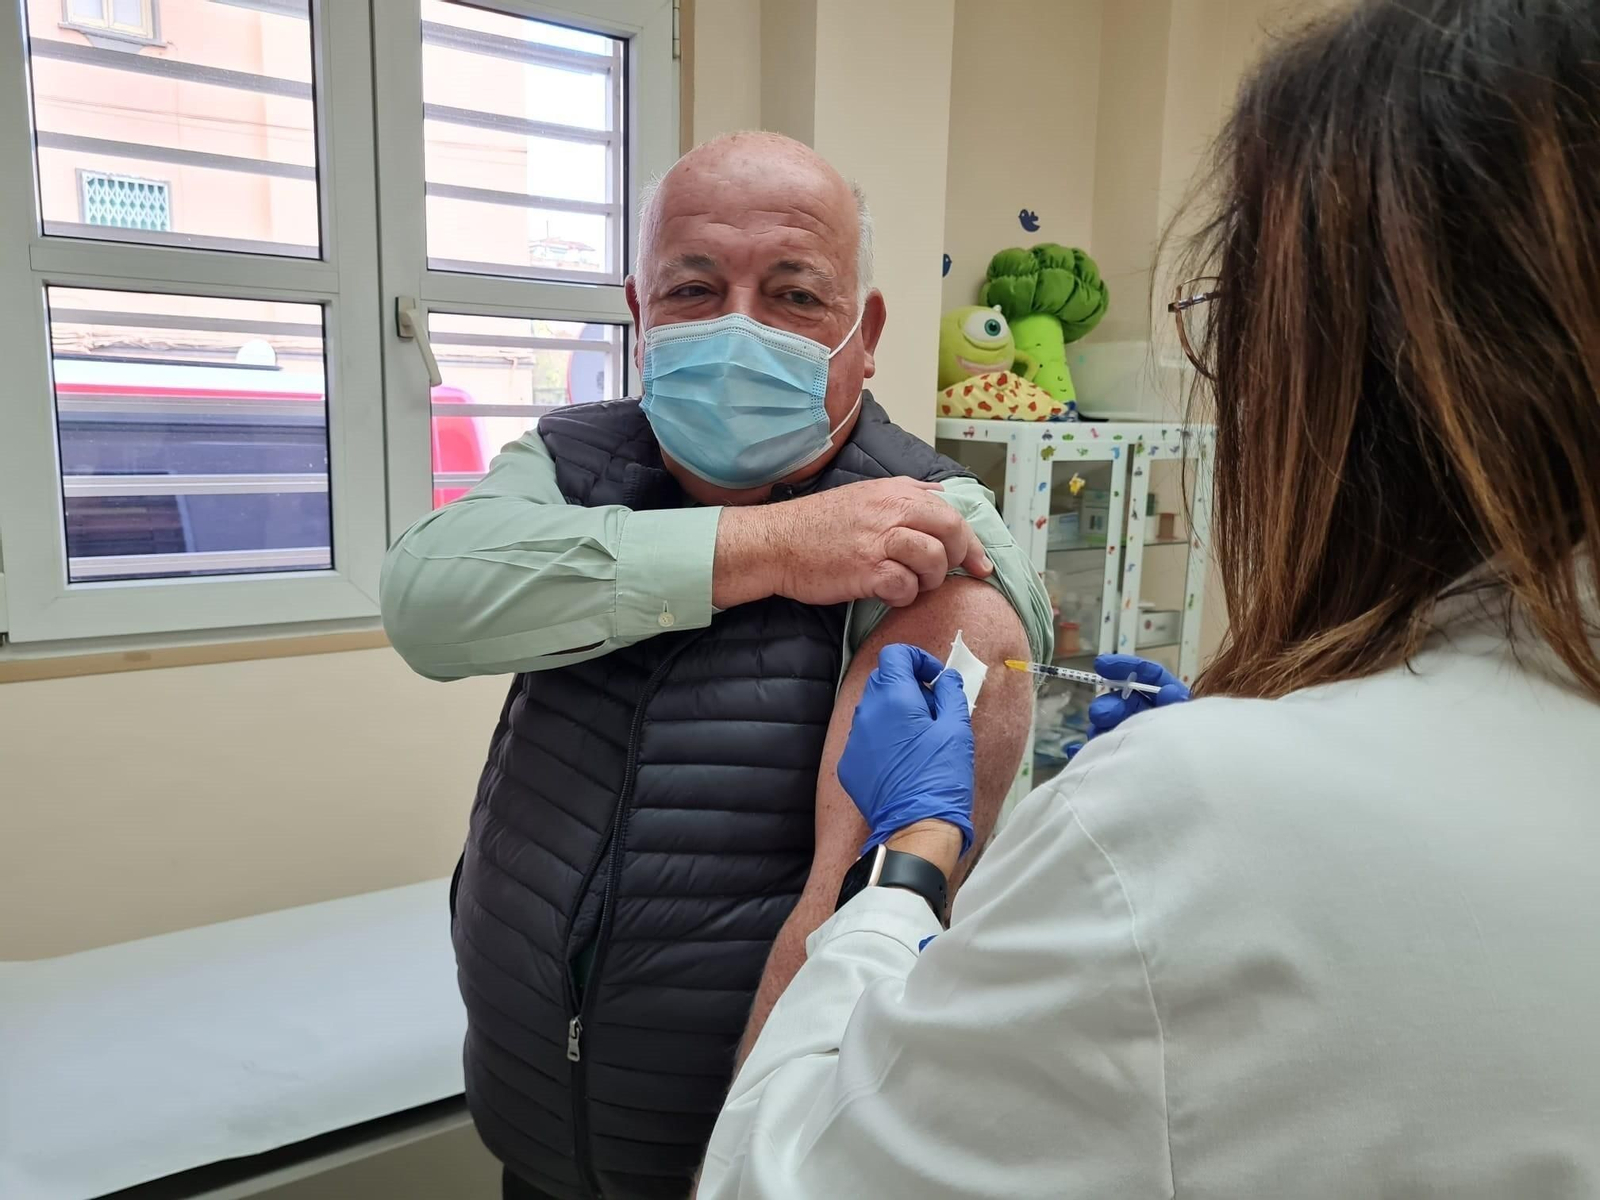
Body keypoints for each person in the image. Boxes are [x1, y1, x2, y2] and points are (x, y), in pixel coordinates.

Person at [698, 0, 1600, 1195]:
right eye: (692, 285)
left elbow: (779, 1174)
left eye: (794, 293)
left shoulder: (1192, 814)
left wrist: (902, 859)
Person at [379, 131, 1051, 1200]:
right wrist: (775, 549)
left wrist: (751, 1169)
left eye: (793, 295)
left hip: (729, 1156)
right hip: (533, 1125)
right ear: (641, 313)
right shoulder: (568, 465)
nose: (739, 327)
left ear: (864, 332)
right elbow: (427, 603)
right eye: (694, 288)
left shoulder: (926, 529)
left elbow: (844, 911)